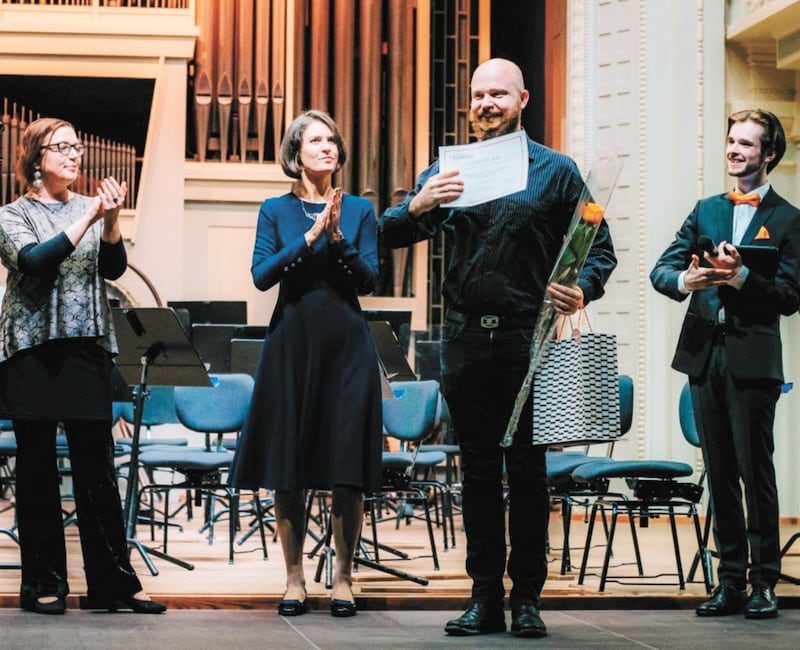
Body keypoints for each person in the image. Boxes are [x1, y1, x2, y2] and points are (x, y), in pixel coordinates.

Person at [378, 58, 617, 638]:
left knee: (528, 472)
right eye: (479, 94)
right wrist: (419, 205)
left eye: (498, 94)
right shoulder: (450, 168)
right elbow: (388, 231)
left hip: (526, 338)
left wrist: (581, 287)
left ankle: (527, 599)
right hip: (463, 337)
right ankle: (484, 597)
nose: (487, 103)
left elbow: (599, 245)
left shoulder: (558, 172)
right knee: (479, 473)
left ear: (522, 100)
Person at [0, 117, 166, 615]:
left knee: (97, 470)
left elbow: (112, 268)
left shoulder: (90, 209)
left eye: (77, 147)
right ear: (36, 158)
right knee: (37, 470)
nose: (75, 155)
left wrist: (111, 221)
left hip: (86, 347)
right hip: (31, 351)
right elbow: (34, 261)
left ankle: (113, 583)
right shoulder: (11, 214)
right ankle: (44, 582)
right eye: (63, 147)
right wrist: (92, 215)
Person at [229, 110, 382, 618]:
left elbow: (369, 280)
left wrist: (337, 239)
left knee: (347, 469)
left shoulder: (359, 210)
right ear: (295, 153)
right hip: (291, 344)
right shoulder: (275, 209)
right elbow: (261, 275)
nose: (327, 146)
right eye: (315, 140)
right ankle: (294, 579)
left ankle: (343, 579)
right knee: (288, 467)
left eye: (332, 139)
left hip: (346, 346)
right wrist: (311, 237)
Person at [651, 109, 800, 620]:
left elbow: (789, 297)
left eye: (746, 144)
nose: (734, 150)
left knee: (754, 471)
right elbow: (662, 268)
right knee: (717, 473)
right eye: (732, 141)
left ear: (769, 154)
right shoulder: (706, 210)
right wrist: (684, 281)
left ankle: (764, 582)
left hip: (752, 359)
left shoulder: (788, 219)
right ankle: (730, 581)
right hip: (703, 355)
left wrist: (740, 277)